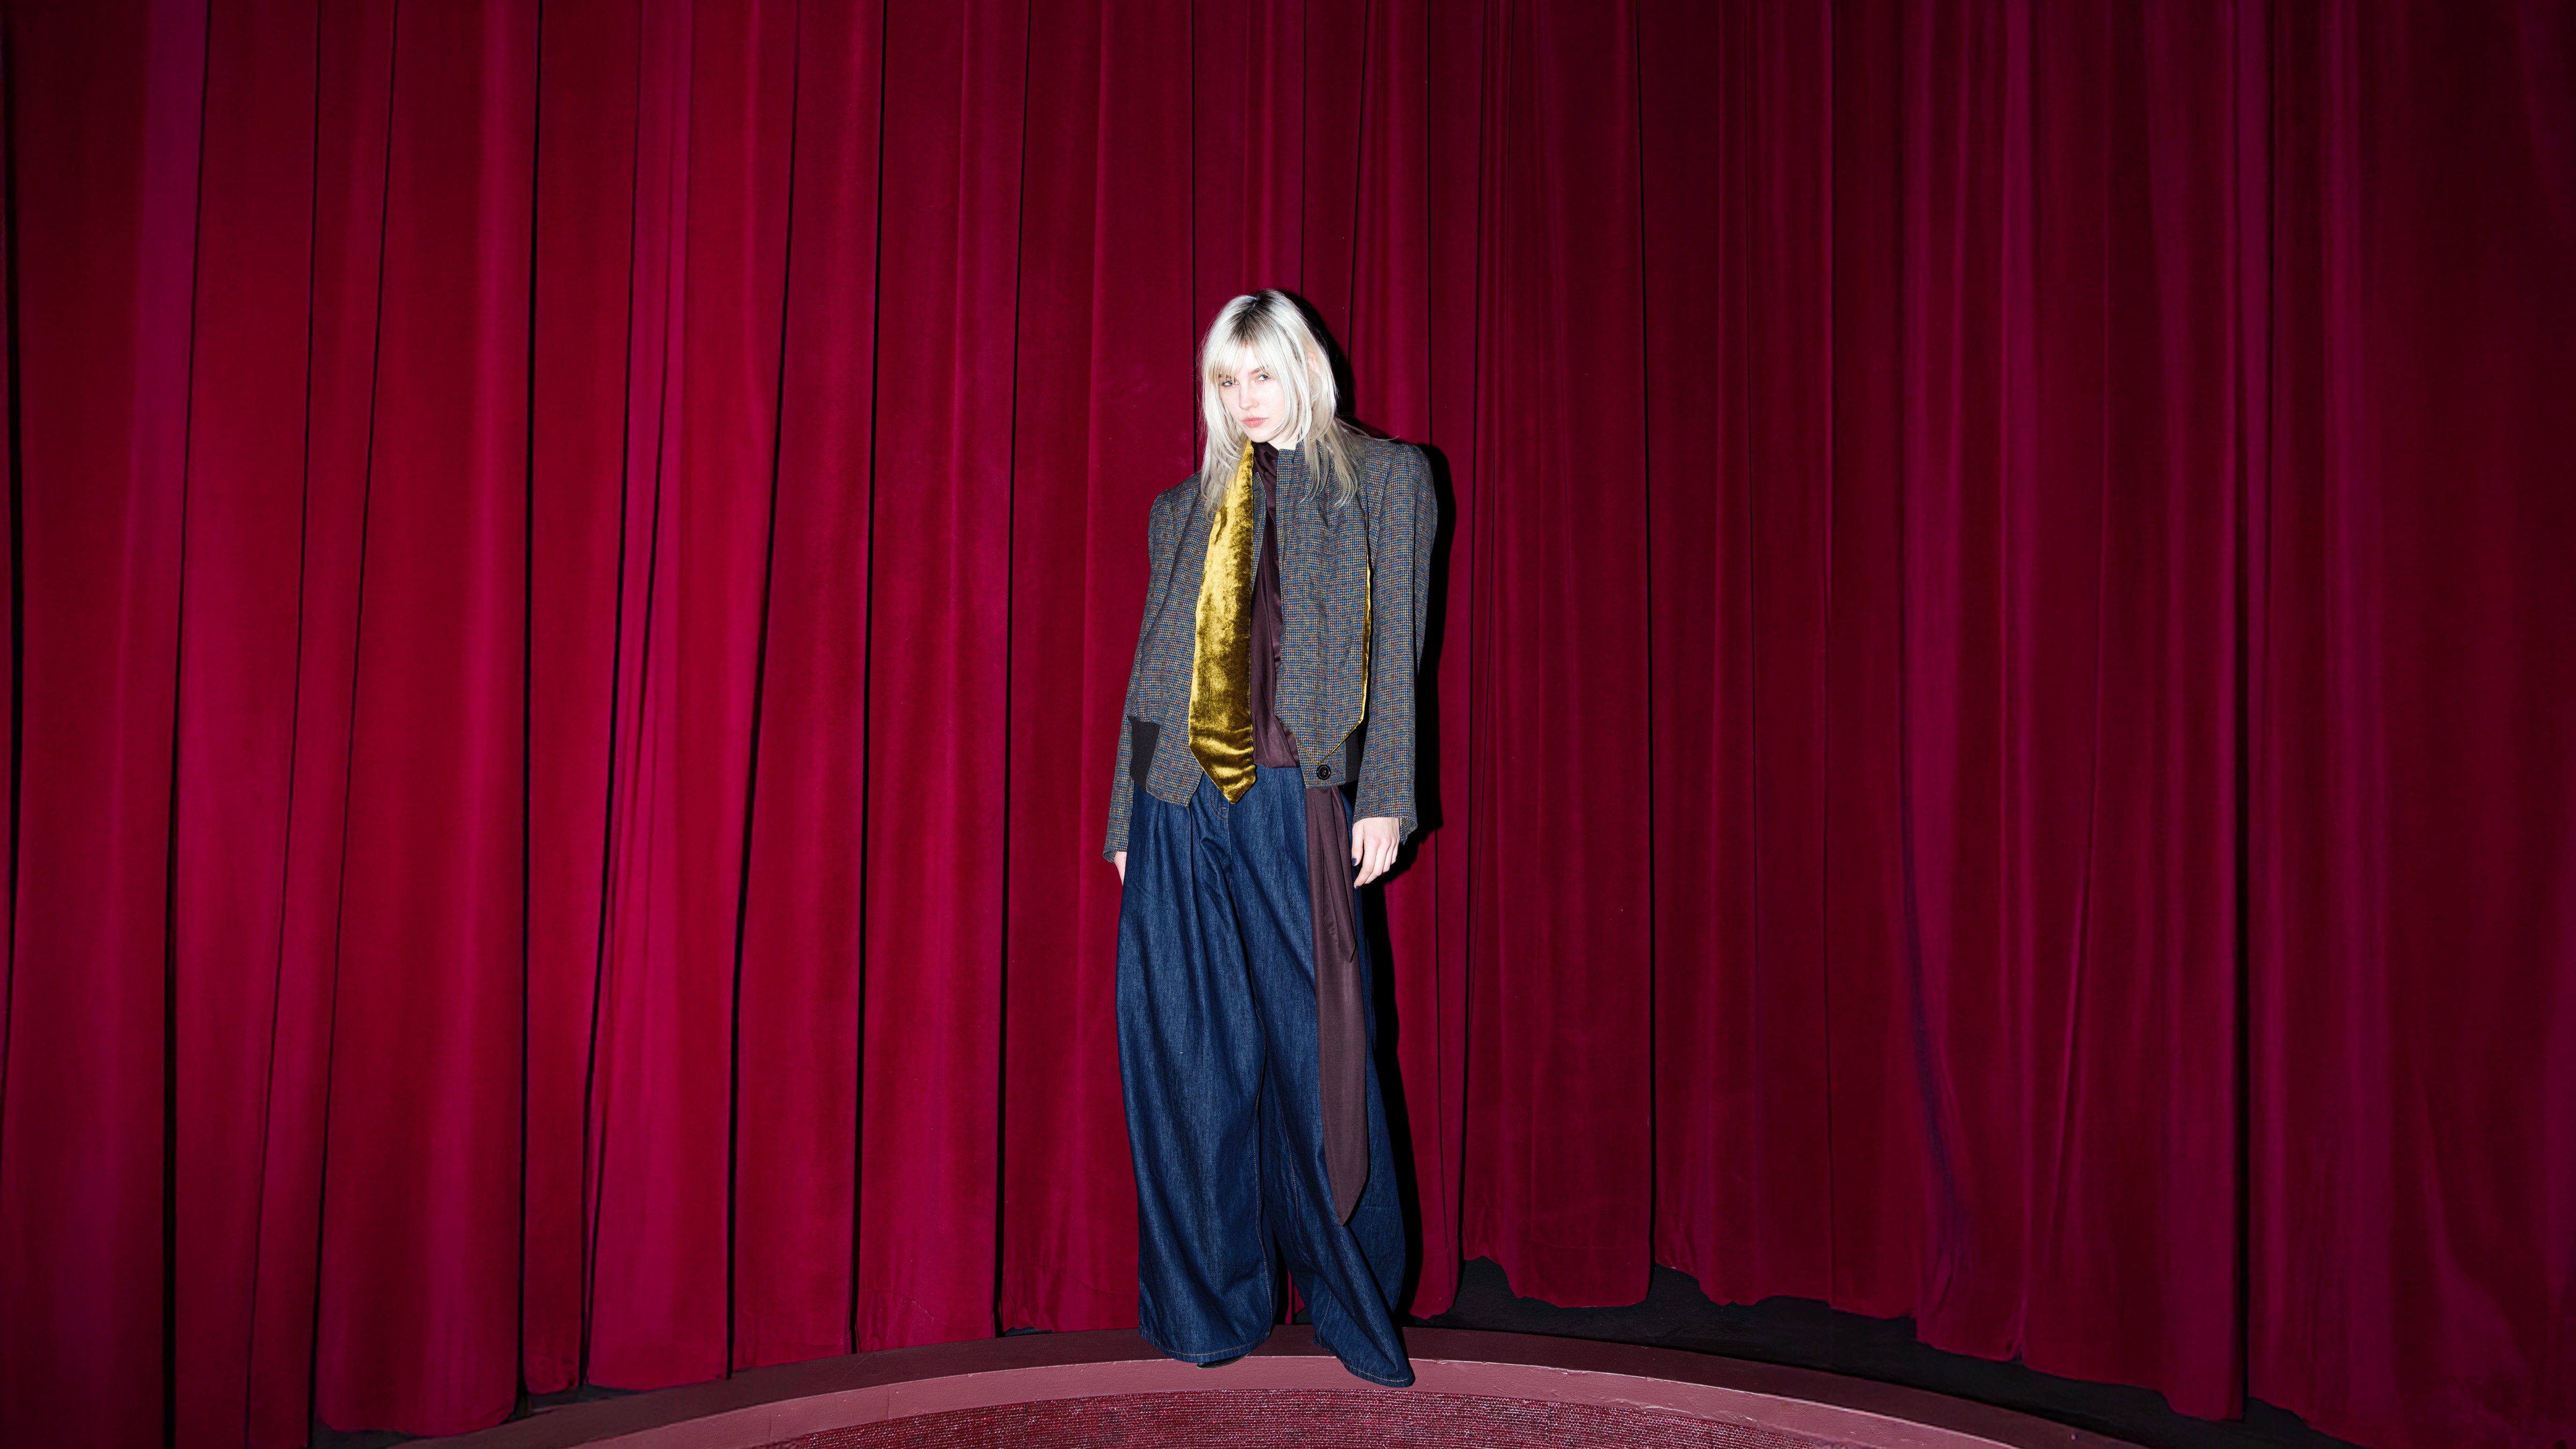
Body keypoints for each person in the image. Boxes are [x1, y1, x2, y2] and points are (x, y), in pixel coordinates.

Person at [1102, 290, 1436, 1387]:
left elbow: (1400, 660)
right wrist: (1123, 820)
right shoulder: (1181, 508)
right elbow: (1154, 667)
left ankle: (1354, 1303)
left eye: (1262, 374)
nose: (1246, 400)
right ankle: (1210, 1312)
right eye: (1226, 382)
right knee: (1186, 1055)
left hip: (1297, 798)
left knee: (1320, 1058)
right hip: (1176, 805)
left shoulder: (1387, 480)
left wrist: (1385, 795)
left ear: (1304, 369)